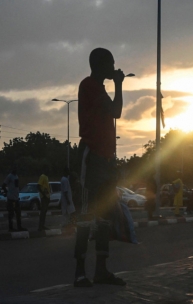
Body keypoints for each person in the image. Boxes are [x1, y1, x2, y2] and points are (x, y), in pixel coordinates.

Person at [73, 48, 126, 287]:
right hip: (91, 157)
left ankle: (101, 271)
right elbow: (117, 111)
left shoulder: (98, 88)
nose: (114, 68)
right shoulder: (89, 86)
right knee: (85, 216)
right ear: (100, 65)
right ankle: (80, 273)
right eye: (111, 64)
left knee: (104, 217)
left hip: (105, 160)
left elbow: (113, 113)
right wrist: (120, 84)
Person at [2, 165, 26, 232]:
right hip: (11, 199)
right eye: (14, 168)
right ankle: (11, 228)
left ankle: (19, 227)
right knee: (11, 214)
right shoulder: (9, 176)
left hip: (16, 198)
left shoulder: (16, 176)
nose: (15, 170)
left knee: (18, 213)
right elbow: (3, 185)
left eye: (16, 168)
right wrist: (7, 193)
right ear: (12, 169)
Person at [37, 167, 51, 231]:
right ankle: (40, 226)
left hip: (46, 197)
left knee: (44, 212)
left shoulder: (46, 177)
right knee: (43, 212)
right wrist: (44, 195)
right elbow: (38, 186)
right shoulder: (42, 176)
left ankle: (42, 225)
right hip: (44, 197)